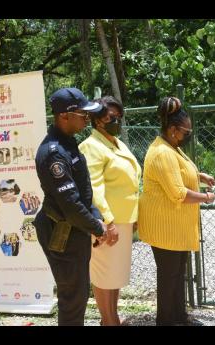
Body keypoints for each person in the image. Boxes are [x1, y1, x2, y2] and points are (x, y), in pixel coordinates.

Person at [33, 87, 113, 326]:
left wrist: (96, 218)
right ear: (64, 116)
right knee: (72, 297)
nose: (87, 118)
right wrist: (97, 228)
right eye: (82, 114)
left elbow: (83, 192)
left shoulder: (69, 143)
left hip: (74, 228)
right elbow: (69, 204)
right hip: (62, 231)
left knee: (78, 294)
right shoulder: (53, 154)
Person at [138, 96, 215, 326]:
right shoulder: (162, 152)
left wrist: (200, 176)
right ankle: (165, 320)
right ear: (172, 130)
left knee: (177, 274)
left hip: (174, 227)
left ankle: (179, 316)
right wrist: (206, 197)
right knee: (168, 277)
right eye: (185, 131)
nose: (187, 135)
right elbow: (178, 193)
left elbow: (181, 171)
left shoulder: (171, 146)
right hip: (164, 227)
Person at [79, 96, 142, 326]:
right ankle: (109, 320)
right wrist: (109, 222)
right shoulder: (91, 146)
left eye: (119, 116)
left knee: (115, 274)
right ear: (97, 120)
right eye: (111, 117)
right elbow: (95, 188)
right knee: (105, 274)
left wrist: (131, 217)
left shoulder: (116, 142)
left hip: (124, 220)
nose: (117, 121)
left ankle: (110, 318)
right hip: (107, 223)